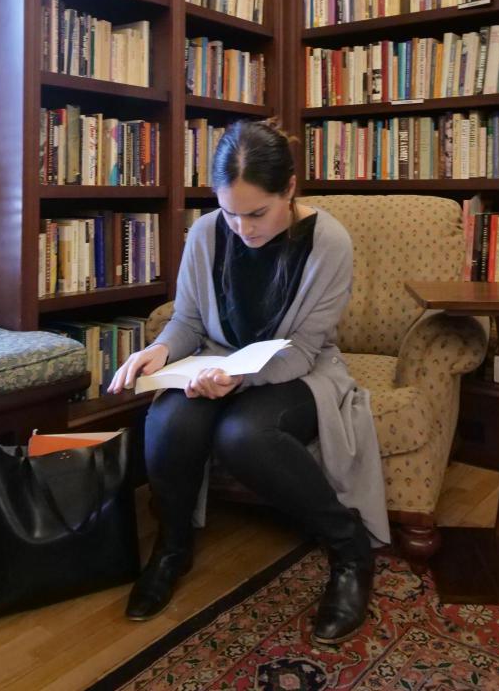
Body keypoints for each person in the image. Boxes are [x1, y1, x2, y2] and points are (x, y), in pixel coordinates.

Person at [108, 119, 390, 642]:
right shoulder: (205, 232)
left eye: (257, 213)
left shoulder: (329, 241)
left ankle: (349, 548)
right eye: (230, 213)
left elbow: (304, 348)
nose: (244, 229)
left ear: (289, 189)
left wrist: (234, 381)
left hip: (297, 369)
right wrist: (159, 351)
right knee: (167, 424)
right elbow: (188, 319)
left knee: (243, 436)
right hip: (213, 361)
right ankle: (171, 549)